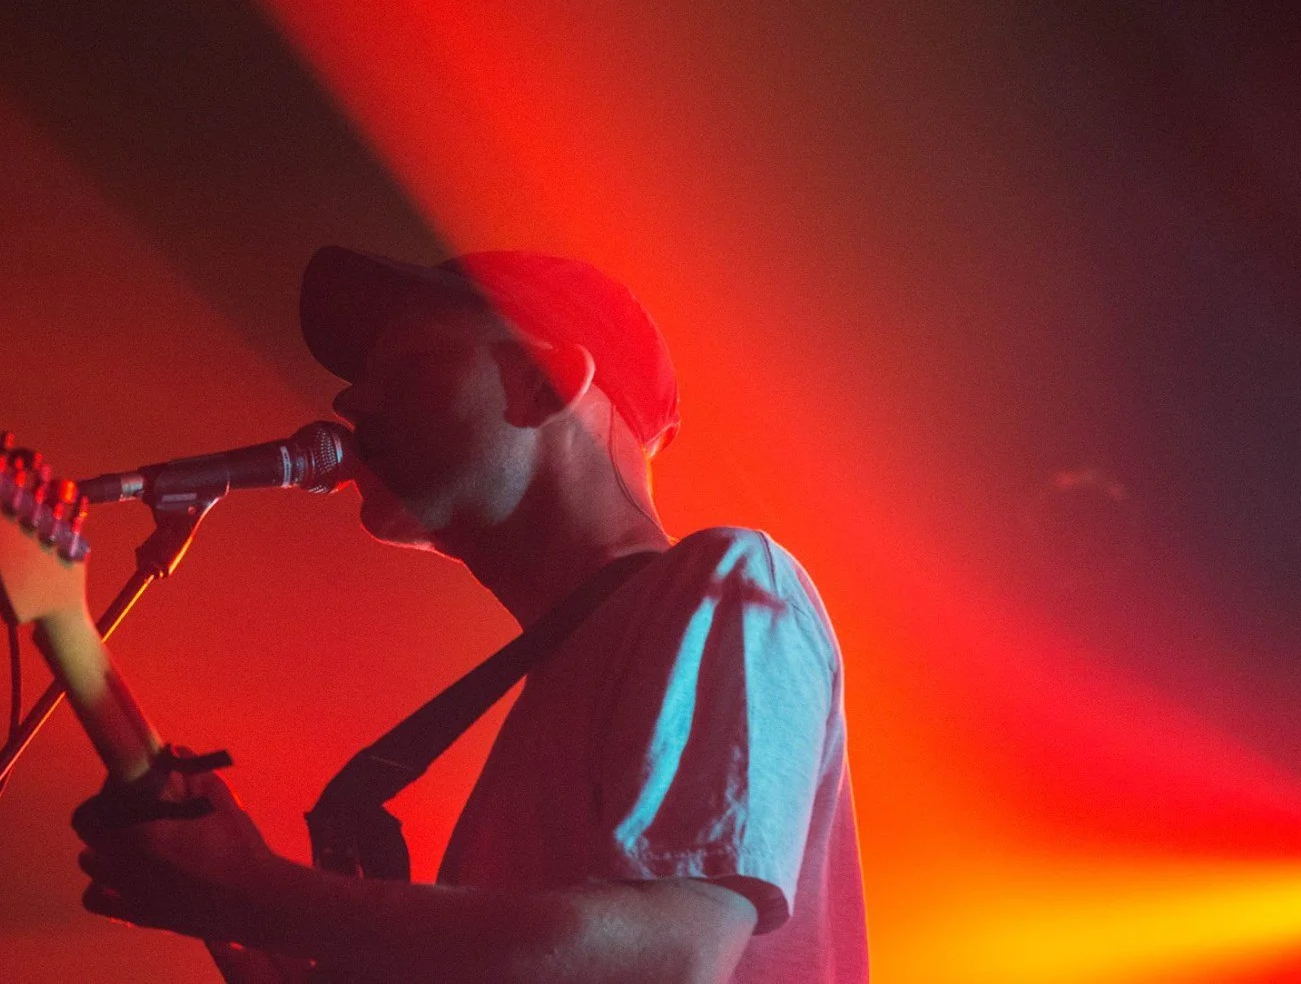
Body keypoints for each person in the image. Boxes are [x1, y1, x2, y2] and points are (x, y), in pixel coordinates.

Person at [74, 247, 868, 983]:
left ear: (545, 383)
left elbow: (667, 960)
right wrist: (248, 921)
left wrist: (252, 891)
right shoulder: (549, 691)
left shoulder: (729, 581)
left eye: (404, 365)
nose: (350, 400)